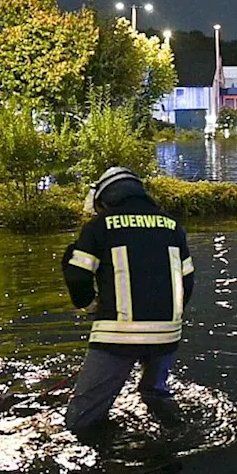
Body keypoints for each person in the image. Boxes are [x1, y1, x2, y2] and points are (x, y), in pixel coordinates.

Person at [61, 167, 195, 441]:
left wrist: (88, 305)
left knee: (81, 420)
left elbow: (77, 273)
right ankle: (176, 435)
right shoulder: (172, 226)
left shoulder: (99, 226)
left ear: (105, 198)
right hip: (167, 334)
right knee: (155, 396)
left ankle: (102, 457)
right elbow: (188, 280)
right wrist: (170, 319)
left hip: (117, 335)